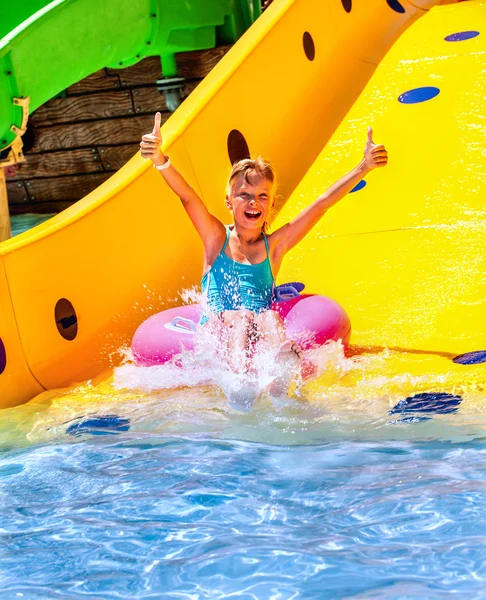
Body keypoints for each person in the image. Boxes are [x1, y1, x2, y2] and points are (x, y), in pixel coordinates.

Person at [140, 112, 388, 398]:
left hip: (258, 332)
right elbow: (188, 197)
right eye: (244, 194)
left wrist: (364, 166)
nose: (253, 202)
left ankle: (277, 380)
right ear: (228, 201)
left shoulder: (275, 246)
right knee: (243, 318)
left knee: (269, 317)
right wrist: (160, 158)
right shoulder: (215, 238)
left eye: (262, 196)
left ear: (270, 205)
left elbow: (321, 205)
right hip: (221, 330)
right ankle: (240, 386)